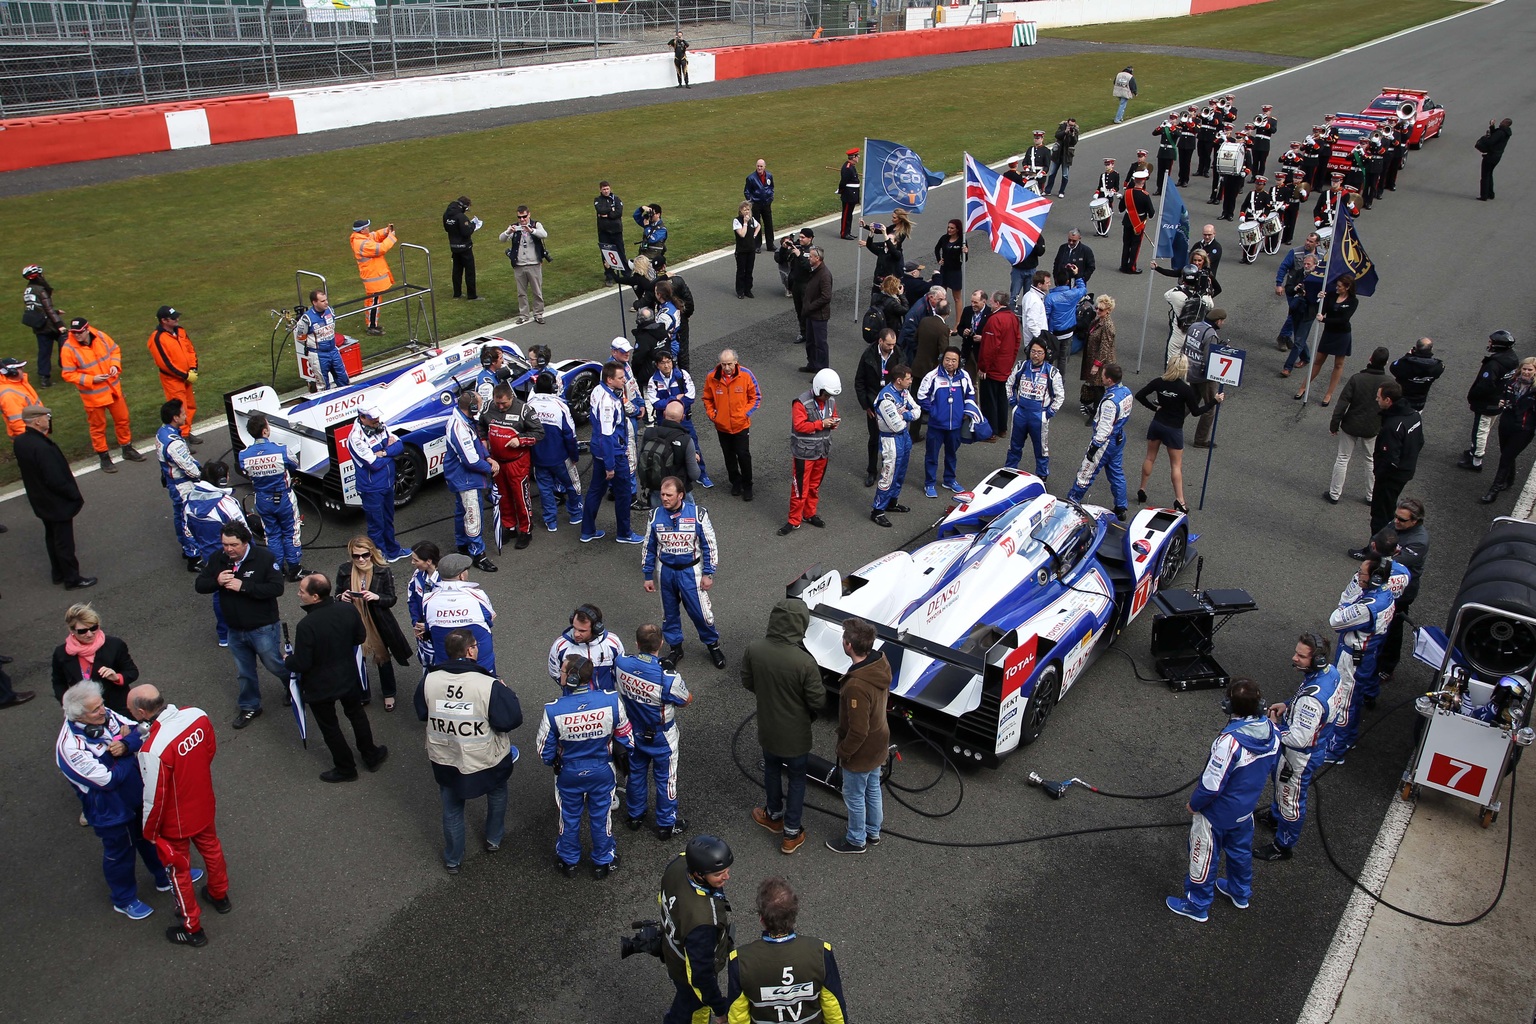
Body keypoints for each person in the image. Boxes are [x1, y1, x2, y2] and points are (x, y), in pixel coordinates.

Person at [55, 680, 174, 922]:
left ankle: (163, 878)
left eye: (101, 704)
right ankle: (124, 900)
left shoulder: (105, 713)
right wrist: (128, 753)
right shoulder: (70, 747)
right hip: (111, 812)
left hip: (137, 795)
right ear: (79, 716)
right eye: (95, 709)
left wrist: (125, 745)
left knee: (151, 837)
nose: (103, 710)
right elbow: (107, 780)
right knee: (120, 855)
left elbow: (142, 730)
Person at [1165, 679, 1280, 922]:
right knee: (1240, 853)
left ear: (1229, 706)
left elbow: (1211, 785)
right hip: (1245, 811)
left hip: (1215, 815)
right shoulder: (1272, 732)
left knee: (1202, 857)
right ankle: (1240, 893)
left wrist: (1194, 805)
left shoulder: (1229, 742)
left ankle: (1197, 905)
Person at [128, 684, 231, 947]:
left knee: (178, 872)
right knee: (212, 848)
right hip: (204, 803)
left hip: (175, 821)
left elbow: (154, 796)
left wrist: (149, 833)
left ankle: (192, 928)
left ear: (141, 712)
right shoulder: (197, 714)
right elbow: (209, 751)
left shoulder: (152, 749)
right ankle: (220, 895)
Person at [415, 627, 522, 874]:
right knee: (496, 793)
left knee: (451, 808)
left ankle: (453, 859)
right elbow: (510, 720)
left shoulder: (429, 680)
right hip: (487, 759)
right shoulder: (488, 684)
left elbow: (423, 712)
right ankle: (493, 838)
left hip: (446, 758)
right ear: (471, 650)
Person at [538, 654, 635, 878]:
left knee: (569, 817)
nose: (559, 674)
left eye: (562, 672)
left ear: (571, 679)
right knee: (602, 817)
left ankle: (568, 860)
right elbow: (628, 739)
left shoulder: (553, 710)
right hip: (602, 770)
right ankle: (603, 861)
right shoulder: (611, 701)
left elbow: (544, 752)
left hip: (568, 773)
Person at [1253, 637, 1347, 863]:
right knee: (1281, 786)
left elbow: (1299, 738)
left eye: (1301, 656)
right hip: (1312, 745)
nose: (1294, 658)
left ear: (1318, 659)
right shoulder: (1330, 673)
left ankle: (1282, 845)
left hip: (1299, 756)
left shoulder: (1311, 701)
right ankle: (1276, 817)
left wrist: (1273, 728)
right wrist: (1287, 705)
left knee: (1290, 799)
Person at [743, 598, 826, 854]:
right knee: (798, 778)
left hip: (768, 727)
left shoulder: (754, 649)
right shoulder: (804, 662)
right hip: (796, 734)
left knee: (771, 769)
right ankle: (791, 833)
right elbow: (818, 700)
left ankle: (773, 814)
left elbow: (748, 682)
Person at [286, 573, 388, 782]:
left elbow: (302, 663)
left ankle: (345, 768)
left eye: (302, 592)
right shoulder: (347, 609)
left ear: (315, 597)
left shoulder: (307, 625)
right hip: (347, 676)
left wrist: (288, 660)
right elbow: (359, 637)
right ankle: (370, 755)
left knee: (330, 727)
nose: (298, 594)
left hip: (319, 685)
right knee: (356, 715)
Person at [195, 521, 286, 728]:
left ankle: (294, 685)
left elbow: (276, 588)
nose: (228, 549)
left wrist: (244, 586)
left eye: (233, 545)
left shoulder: (264, 557)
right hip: (235, 629)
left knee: (274, 664)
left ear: (245, 542)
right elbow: (200, 585)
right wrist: (216, 581)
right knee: (244, 671)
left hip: (262, 627)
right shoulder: (218, 559)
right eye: (225, 544)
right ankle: (250, 706)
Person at [727, 878, 850, 1020]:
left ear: (761, 918)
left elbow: (737, 1014)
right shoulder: (821, 952)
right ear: (794, 915)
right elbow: (833, 1007)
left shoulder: (740, 960)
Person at [615, 623, 693, 839]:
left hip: (633, 730)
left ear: (637, 644)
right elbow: (686, 700)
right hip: (661, 737)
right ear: (661, 643)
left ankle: (635, 815)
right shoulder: (668, 677)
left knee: (635, 774)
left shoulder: (621, 663)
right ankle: (666, 824)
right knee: (666, 778)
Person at [642, 476, 725, 671]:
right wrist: (647, 575)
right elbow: (648, 546)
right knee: (669, 614)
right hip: (666, 572)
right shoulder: (654, 516)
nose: (664, 498)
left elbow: (710, 545)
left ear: (681, 495)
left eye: (669, 495)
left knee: (702, 614)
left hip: (691, 571)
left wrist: (708, 573)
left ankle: (713, 645)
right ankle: (675, 649)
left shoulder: (698, 514)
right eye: (662, 494)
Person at [826, 617, 891, 854]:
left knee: (854, 796)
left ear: (849, 646)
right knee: (873, 787)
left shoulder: (856, 686)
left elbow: (858, 730)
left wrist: (843, 752)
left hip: (862, 751)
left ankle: (856, 839)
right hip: (879, 742)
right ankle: (873, 831)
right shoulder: (880, 664)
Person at [1323, 558, 1397, 765]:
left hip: (1354, 658)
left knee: (1345, 701)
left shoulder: (1371, 604)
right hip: (1364, 655)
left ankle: (1336, 748)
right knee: (1354, 698)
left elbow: (1336, 620)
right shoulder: (1383, 593)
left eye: (1361, 573)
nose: (1358, 576)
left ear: (1376, 577)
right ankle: (1348, 738)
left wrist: (1346, 604)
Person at [14, 405, 96, 590]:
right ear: (37, 421)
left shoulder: (21, 442)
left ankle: (58, 572)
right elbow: (55, 479)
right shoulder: (43, 448)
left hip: (40, 500)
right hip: (56, 502)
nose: (49, 419)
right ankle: (72, 578)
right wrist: (73, 494)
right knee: (64, 542)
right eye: (46, 417)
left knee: (51, 537)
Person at [659, 836, 734, 1024]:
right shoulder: (703, 922)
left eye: (726, 870)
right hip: (686, 971)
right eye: (718, 874)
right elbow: (701, 976)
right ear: (699, 874)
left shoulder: (679, 864)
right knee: (687, 1010)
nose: (726, 877)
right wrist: (720, 1008)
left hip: (672, 950)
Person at [1134, 353, 1222, 512]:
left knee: (1150, 457)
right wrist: (1214, 401)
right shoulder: (1185, 389)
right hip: (1173, 429)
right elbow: (1196, 412)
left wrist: (1154, 408)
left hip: (1157, 424)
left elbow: (1139, 395)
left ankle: (1142, 489)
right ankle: (1180, 500)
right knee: (1176, 466)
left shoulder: (1159, 382)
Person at [337, 535, 412, 713]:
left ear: (371, 553)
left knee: (382, 658)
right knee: (357, 659)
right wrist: (342, 597)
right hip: (354, 621)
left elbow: (391, 598)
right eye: (356, 556)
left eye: (365, 555)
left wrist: (377, 597)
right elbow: (336, 594)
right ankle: (363, 694)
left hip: (379, 621)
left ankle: (389, 693)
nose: (361, 559)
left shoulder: (382, 570)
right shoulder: (344, 570)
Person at [60, 317, 145, 474]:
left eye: (79, 332)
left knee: (123, 419)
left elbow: (114, 350)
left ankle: (127, 448)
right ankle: (104, 457)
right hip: (93, 396)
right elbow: (68, 374)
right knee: (98, 427)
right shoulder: (68, 349)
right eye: (74, 332)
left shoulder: (100, 336)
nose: (77, 335)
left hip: (112, 389)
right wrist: (92, 379)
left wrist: (114, 365)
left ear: (87, 329)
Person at [182, 461, 246, 646]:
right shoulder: (225, 502)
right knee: (243, 587)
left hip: (209, 556)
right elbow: (243, 531)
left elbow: (187, 532)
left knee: (219, 593)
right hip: (233, 554)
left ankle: (224, 634)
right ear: (222, 480)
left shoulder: (189, 501)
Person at [239, 413, 306, 580]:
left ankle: (277, 568)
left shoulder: (244, 454)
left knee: (272, 534)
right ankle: (294, 568)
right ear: (264, 431)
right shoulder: (281, 449)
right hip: (283, 498)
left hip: (262, 499)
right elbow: (294, 464)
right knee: (291, 531)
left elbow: (245, 472)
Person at [582, 362, 643, 544]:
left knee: (595, 490)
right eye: (620, 378)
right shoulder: (608, 403)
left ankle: (587, 530)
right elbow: (607, 435)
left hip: (600, 450)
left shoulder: (598, 390)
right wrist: (611, 465)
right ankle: (624, 533)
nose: (624, 380)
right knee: (624, 493)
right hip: (613, 453)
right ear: (609, 380)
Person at [480, 382, 545, 550]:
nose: (500, 406)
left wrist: (520, 440)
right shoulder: (488, 408)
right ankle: (509, 527)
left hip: (518, 462)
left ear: (512, 398)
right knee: (502, 496)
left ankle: (526, 530)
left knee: (520, 497)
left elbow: (539, 433)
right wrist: (484, 441)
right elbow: (480, 426)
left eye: (504, 403)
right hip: (496, 462)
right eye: (498, 403)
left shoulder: (524, 410)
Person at [779, 369, 842, 537]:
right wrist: (821, 424)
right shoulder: (800, 403)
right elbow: (800, 426)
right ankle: (794, 520)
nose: (827, 398)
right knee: (799, 488)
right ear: (818, 389)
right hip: (804, 454)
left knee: (814, 486)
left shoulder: (831, 401)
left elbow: (833, 416)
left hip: (822, 452)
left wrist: (834, 423)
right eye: (826, 395)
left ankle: (809, 514)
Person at [1327, 344, 1391, 505]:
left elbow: (1342, 404)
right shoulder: (1389, 383)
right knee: (1370, 460)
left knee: (1343, 458)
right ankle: (1371, 495)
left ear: (1370, 359)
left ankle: (1334, 494)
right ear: (1386, 363)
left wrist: (1334, 424)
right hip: (1373, 427)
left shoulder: (1357, 378)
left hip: (1351, 424)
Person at [1067, 363, 1132, 519]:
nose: (1101, 377)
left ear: (1109, 380)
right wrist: (1096, 413)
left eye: (1103, 375)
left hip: (1105, 443)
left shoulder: (1110, 401)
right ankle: (1121, 507)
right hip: (1119, 438)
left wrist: (1093, 448)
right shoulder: (1126, 392)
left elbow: (1104, 429)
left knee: (1086, 471)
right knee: (1116, 473)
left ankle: (1072, 502)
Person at [1374, 499, 1428, 683]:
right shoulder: (1395, 524)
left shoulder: (1419, 541)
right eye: (1396, 517)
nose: (1396, 521)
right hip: (1381, 583)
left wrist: (1380, 552)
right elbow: (1376, 542)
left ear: (1415, 521)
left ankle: (1388, 666)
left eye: (1402, 520)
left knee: (1393, 628)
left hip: (1401, 592)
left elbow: (1395, 562)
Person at [346, 406, 409, 561]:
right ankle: (379, 556)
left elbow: (400, 445)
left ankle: (393, 551)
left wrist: (384, 452)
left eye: (377, 419)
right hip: (371, 488)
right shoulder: (356, 438)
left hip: (387, 483)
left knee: (388, 518)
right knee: (376, 524)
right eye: (373, 420)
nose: (377, 422)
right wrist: (389, 450)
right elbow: (374, 464)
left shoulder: (381, 427)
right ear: (362, 418)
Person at [52, 604, 139, 714]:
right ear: (71, 630)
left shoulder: (114, 645)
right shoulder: (61, 653)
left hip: (117, 708)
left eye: (93, 628)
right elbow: (58, 683)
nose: (89, 634)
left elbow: (132, 672)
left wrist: (117, 677)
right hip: (85, 711)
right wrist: (68, 705)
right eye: (82, 631)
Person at [525, 372, 584, 531]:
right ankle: (576, 514)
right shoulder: (560, 406)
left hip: (538, 458)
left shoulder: (529, 405)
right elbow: (570, 435)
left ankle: (550, 521)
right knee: (573, 485)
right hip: (561, 457)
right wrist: (574, 455)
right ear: (554, 388)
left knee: (545, 490)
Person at [422, 552, 496, 674]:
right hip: (480, 660)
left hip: (445, 661)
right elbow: (489, 619)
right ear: (461, 575)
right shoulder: (478, 596)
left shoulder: (427, 599)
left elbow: (429, 624)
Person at [702, 350, 760, 502]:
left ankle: (748, 485)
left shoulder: (746, 375)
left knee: (743, 455)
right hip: (722, 426)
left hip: (741, 425)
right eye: (723, 364)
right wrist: (713, 415)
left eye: (729, 364)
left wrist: (744, 414)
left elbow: (755, 397)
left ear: (735, 362)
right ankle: (735, 482)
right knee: (729, 457)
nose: (726, 367)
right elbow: (707, 398)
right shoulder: (712, 377)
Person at [917, 347, 975, 498]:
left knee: (952, 454)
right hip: (936, 426)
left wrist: (966, 412)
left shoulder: (964, 376)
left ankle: (949, 480)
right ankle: (929, 483)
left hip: (955, 426)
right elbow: (921, 396)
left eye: (954, 360)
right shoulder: (932, 376)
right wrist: (934, 412)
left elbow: (971, 395)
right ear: (942, 360)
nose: (950, 363)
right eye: (947, 359)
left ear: (959, 362)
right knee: (932, 455)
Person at [1459, 330, 1520, 472]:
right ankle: (1474, 451)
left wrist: (1473, 395)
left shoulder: (1494, 364)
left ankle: (1476, 461)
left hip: (1487, 404)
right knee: (1486, 428)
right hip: (1499, 400)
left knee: (1480, 430)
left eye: (1491, 341)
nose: (1489, 343)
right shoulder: (1512, 359)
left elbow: (1485, 385)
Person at [1005, 338, 1064, 480]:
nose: (1035, 355)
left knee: (1041, 449)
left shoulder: (1053, 372)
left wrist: (1049, 413)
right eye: (1033, 351)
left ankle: (1042, 476)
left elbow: (1060, 395)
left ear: (1046, 354)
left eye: (1039, 352)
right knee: (1014, 445)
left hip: (1039, 416)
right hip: (1020, 413)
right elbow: (1009, 384)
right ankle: (1009, 471)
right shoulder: (1021, 366)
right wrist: (1013, 402)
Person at [1369, 381, 1423, 536]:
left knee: (1380, 513)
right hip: (1405, 472)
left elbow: (1389, 459)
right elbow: (1420, 442)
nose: (1376, 399)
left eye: (1379, 397)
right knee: (1388, 509)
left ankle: (1376, 550)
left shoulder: (1392, 426)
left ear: (1388, 400)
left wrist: (1379, 473)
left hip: (1391, 478)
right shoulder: (1414, 415)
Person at [1296, 274, 1358, 406]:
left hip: (1342, 335)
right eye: (1337, 285)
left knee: (1338, 364)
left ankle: (1329, 394)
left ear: (1347, 287)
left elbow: (1343, 320)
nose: (1337, 288)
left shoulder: (1353, 301)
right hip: (1329, 333)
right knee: (1318, 361)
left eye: (1340, 286)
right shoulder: (1331, 295)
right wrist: (1320, 300)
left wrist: (1324, 320)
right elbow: (1321, 311)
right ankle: (1303, 387)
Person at [870, 364, 919, 528]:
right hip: (890, 440)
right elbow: (897, 426)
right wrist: (908, 415)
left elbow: (917, 410)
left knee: (900, 472)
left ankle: (892, 502)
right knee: (888, 474)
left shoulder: (904, 391)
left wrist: (904, 414)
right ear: (899, 380)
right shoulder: (886, 399)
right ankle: (877, 511)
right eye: (908, 378)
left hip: (903, 438)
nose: (911, 381)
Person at [156, 399, 202, 570]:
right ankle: (193, 557)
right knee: (187, 518)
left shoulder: (162, 432)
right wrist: (203, 476)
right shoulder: (174, 442)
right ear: (175, 417)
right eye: (183, 413)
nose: (186, 415)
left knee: (179, 515)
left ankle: (185, 546)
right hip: (182, 485)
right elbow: (189, 468)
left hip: (172, 481)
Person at [1483, 357, 1536, 504]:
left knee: (1506, 457)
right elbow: (1502, 396)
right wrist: (1501, 401)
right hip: (1506, 424)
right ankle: (1510, 479)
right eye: (1524, 369)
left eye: (1530, 370)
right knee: (1506, 453)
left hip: (1524, 429)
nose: (1526, 372)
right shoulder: (1512, 383)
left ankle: (1494, 489)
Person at [146, 306, 200, 444]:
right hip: (173, 380)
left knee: (190, 406)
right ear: (164, 320)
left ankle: (186, 433)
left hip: (187, 376)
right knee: (179, 409)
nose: (177, 319)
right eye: (173, 318)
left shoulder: (180, 331)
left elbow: (190, 350)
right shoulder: (157, 338)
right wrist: (184, 375)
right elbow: (165, 364)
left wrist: (193, 368)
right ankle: (181, 437)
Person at [548, 603, 626, 691]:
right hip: (575, 700)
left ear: (596, 628)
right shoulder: (560, 646)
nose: (576, 634)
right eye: (574, 628)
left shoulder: (613, 643)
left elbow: (620, 670)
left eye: (582, 630)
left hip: (604, 699)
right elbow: (554, 673)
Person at [977, 292, 1022, 438]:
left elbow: (990, 347)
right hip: (1006, 366)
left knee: (989, 399)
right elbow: (1017, 341)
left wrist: (983, 367)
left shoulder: (994, 320)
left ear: (997, 303)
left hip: (993, 367)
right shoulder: (1013, 318)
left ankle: (990, 432)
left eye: (991, 300)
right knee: (1002, 398)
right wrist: (1010, 361)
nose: (989, 303)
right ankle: (1002, 428)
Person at [1182, 308, 1225, 449]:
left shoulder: (1194, 326)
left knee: (1190, 402)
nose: (1222, 324)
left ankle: (1170, 424)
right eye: (1222, 321)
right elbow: (1209, 358)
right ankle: (1200, 439)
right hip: (1203, 376)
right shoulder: (1211, 334)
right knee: (1210, 407)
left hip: (1189, 369)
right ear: (1217, 321)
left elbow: (1185, 347)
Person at [500, 205, 549, 325]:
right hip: (519, 264)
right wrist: (508, 232)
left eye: (524, 217)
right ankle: (524, 315)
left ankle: (538, 314)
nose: (522, 220)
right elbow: (501, 239)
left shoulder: (536, 225)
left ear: (529, 215)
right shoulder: (515, 227)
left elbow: (544, 234)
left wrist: (531, 230)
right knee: (521, 292)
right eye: (519, 217)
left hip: (534, 263)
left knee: (537, 291)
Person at [349, 219, 397, 336]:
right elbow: (381, 249)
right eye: (367, 227)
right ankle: (371, 327)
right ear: (362, 230)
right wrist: (391, 237)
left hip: (373, 276)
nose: (369, 229)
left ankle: (373, 324)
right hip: (372, 277)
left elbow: (375, 235)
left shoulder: (362, 238)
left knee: (374, 302)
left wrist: (386, 231)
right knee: (373, 303)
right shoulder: (362, 243)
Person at [1278, 255, 1323, 378]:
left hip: (1309, 313)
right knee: (1299, 337)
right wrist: (1295, 288)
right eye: (1305, 263)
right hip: (1297, 309)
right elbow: (1288, 288)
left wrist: (1319, 296)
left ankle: (1287, 367)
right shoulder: (1298, 274)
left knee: (1298, 341)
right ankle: (1306, 357)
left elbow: (1325, 295)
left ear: (1315, 265)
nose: (1306, 266)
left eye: (1309, 264)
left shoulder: (1320, 278)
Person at [21, 264, 65, 389]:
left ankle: (44, 378)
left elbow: (37, 307)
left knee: (44, 351)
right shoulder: (41, 290)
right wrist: (59, 324)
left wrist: (56, 311)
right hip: (49, 324)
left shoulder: (28, 290)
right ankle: (65, 364)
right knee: (66, 340)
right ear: (38, 276)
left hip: (38, 325)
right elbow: (48, 309)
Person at [295, 290, 348, 390]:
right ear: (314, 302)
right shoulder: (306, 319)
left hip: (333, 350)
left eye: (326, 299)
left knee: (343, 378)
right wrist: (313, 346)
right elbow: (300, 337)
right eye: (322, 301)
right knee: (323, 385)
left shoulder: (330, 310)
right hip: (318, 355)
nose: (326, 302)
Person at [406, 540, 440, 672]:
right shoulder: (418, 575)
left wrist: (428, 626)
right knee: (427, 664)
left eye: (416, 560)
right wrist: (416, 622)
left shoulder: (445, 580)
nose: (412, 563)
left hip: (439, 635)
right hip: (422, 632)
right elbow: (412, 599)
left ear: (429, 561)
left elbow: (448, 612)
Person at [1080, 294, 1117, 414]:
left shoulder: (1107, 325)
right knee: (1095, 385)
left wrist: (1097, 364)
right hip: (1094, 357)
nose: (1097, 311)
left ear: (1108, 311)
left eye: (1101, 309)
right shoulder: (1098, 320)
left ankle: (1097, 412)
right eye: (1097, 308)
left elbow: (1105, 347)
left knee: (1098, 387)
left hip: (1102, 362)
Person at [799, 246, 833, 374]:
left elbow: (826, 297)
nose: (809, 258)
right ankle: (812, 364)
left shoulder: (824, 274)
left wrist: (810, 307)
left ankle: (822, 372)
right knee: (811, 342)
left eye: (811, 256)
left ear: (817, 258)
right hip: (811, 314)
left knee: (820, 345)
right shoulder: (815, 271)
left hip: (819, 316)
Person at [442, 195, 481, 301]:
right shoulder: (461, 217)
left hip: (454, 247)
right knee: (469, 271)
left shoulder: (447, 215)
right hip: (465, 247)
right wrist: (472, 225)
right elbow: (466, 232)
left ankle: (457, 293)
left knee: (457, 270)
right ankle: (472, 295)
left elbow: (447, 228)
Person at [1389, 339, 1444, 412]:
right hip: (1419, 403)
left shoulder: (1404, 364)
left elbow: (1393, 367)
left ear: (1416, 348)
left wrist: (1407, 356)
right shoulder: (1438, 367)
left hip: (1401, 399)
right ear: (1431, 349)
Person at [1118, 171, 1154, 273]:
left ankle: (1124, 265)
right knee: (1135, 245)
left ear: (1134, 181)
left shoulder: (1127, 193)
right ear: (1143, 181)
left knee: (1126, 244)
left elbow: (1121, 208)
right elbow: (1151, 213)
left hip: (1127, 221)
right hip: (1138, 223)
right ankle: (1132, 267)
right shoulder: (1145, 195)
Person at [594, 181, 628, 283]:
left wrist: (608, 214)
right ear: (600, 190)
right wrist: (611, 209)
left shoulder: (616, 199)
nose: (606, 191)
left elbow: (619, 212)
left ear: (610, 188)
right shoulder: (597, 200)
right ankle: (609, 275)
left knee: (621, 251)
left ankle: (626, 273)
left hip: (616, 231)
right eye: (604, 189)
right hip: (604, 232)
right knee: (606, 254)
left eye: (607, 189)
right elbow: (600, 210)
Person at [0, 356, 42, 437]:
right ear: (12, 372)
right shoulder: (8, 394)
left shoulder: (19, 383)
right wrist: (34, 438)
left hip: (36, 431)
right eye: (18, 367)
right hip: (30, 437)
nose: (22, 368)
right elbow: (17, 422)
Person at [933, 220, 968, 316]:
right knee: (941, 296)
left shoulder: (962, 240)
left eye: (952, 228)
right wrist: (939, 259)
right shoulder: (944, 238)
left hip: (955, 272)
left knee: (957, 298)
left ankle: (958, 323)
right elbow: (937, 248)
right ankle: (940, 317)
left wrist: (965, 252)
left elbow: (965, 259)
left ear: (957, 229)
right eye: (948, 227)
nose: (949, 230)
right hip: (944, 270)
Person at [1475, 117, 1512, 200]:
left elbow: (1491, 141)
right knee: (1489, 174)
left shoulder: (1501, 132)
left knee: (1485, 176)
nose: (1501, 122)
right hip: (1497, 157)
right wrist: (1492, 126)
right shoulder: (1506, 132)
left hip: (1490, 156)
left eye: (1503, 122)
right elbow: (1495, 136)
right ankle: (1490, 194)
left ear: (1506, 124)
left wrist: (1484, 138)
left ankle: (1484, 195)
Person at [744, 158, 775, 251]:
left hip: (766, 203)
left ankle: (770, 244)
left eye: (761, 166)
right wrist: (751, 202)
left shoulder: (769, 176)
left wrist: (770, 197)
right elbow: (747, 191)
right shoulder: (751, 178)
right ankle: (757, 245)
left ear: (764, 167)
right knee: (756, 224)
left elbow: (771, 187)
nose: (759, 168)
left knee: (769, 224)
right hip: (756, 204)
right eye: (758, 166)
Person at [732, 201, 762, 298]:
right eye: (744, 210)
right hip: (741, 250)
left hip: (751, 249)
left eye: (748, 209)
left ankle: (748, 289)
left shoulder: (752, 220)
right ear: (740, 211)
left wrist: (754, 234)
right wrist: (745, 222)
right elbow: (742, 234)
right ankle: (740, 291)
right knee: (741, 271)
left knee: (749, 271)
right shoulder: (737, 221)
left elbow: (758, 226)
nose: (747, 212)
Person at [1046, 117, 1079, 197]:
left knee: (1065, 174)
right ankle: (1047, 190)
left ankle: (1061, 191)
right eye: (1070, 125)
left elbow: (1074, 142)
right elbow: (1057, 135)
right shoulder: (1062, 127)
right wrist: (1065, 132)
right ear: (1067, 123)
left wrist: (1072, 135)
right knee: (1052, 173)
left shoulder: (1075, 130)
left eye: (1072, 125)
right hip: (1057, 154)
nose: (1071, 127)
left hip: (1067, 156)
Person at [838, 148, 861, 239]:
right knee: (846, 214)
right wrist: (841, 191)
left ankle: (848, 231)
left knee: (849, 215)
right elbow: (843, 182)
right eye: (857, 156)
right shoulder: (848, 168)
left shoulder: (851, 166)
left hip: (852, 194)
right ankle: (844, 233)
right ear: (853, 157)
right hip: (848, 195)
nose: (858, 157)